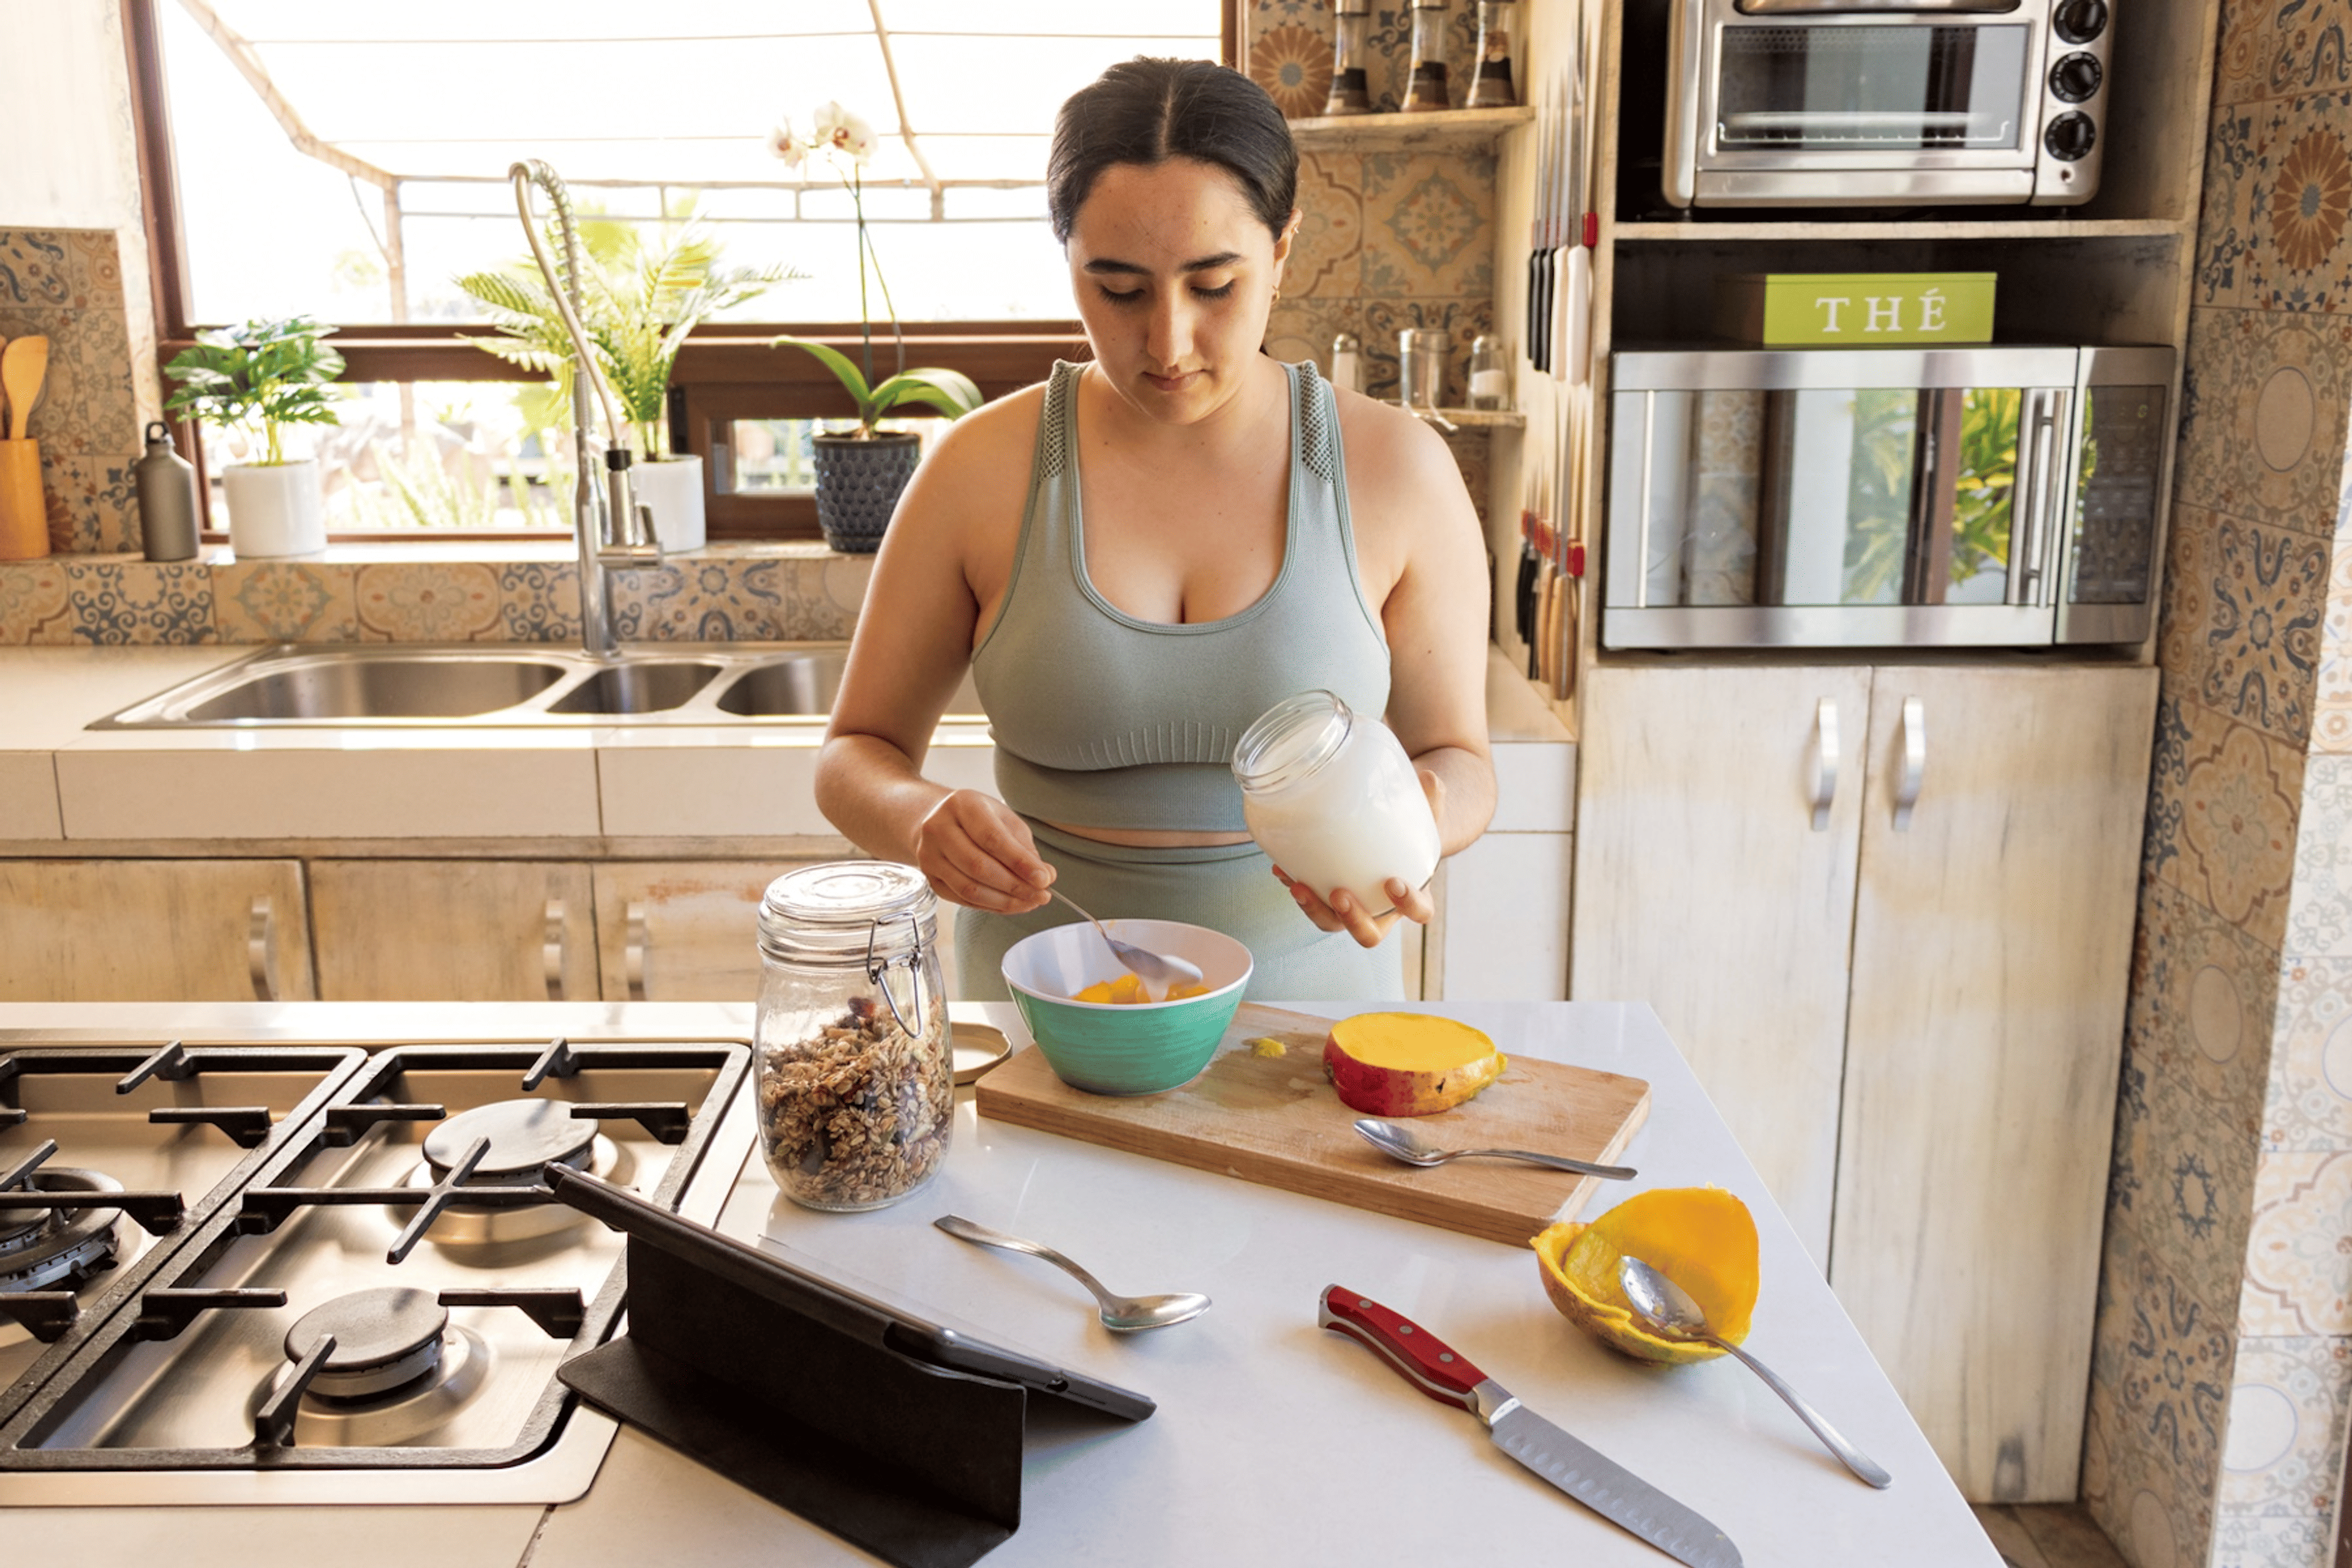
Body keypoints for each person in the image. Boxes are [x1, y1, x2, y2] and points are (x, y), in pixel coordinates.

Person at [814, 56, 1494, 1001]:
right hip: (1036, 1026)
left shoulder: (1396, 470)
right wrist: (921, 818)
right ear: (1068, 261)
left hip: (1311, 1031)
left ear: (1285, 245)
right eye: (1119, 290)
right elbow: (855, 753)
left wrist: (1418, 817)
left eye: (1214, 284)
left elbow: (1460, 757)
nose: (1169, 344)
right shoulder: (978, 472)